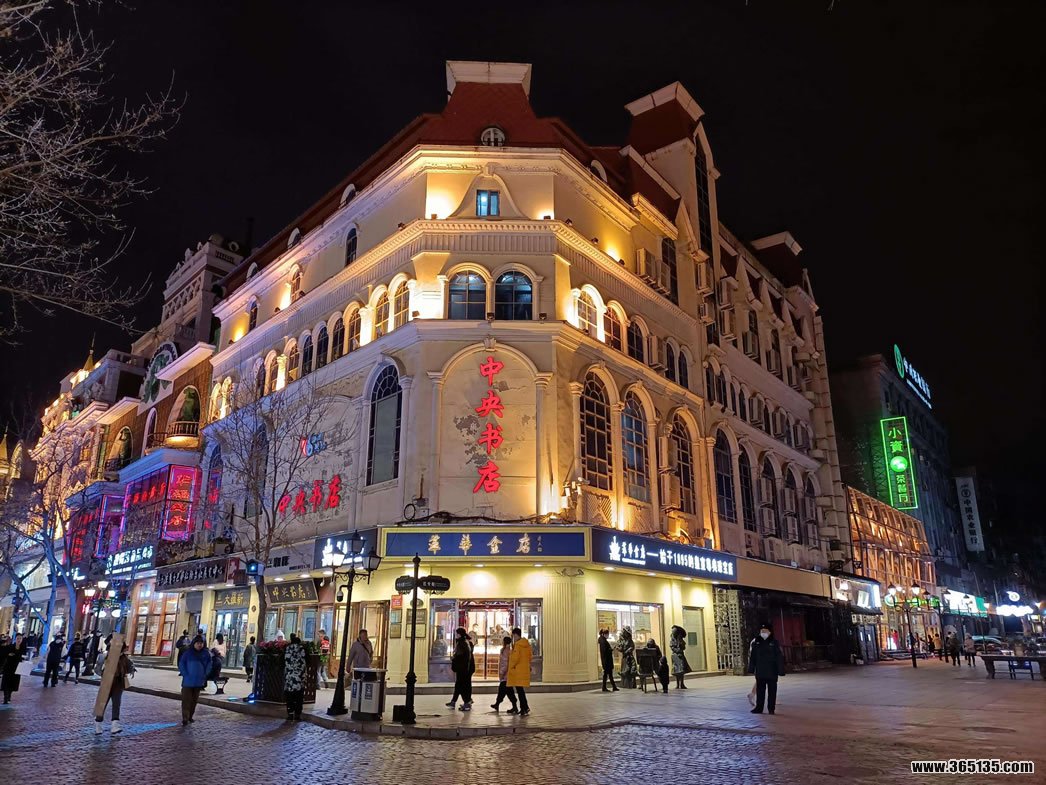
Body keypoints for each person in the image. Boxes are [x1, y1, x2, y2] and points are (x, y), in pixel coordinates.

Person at [748, 622, 785, 715]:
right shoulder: (756, 642)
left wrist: (781, 670)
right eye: (762, 631)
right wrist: (751, 668)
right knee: (760, 691)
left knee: (772, 691)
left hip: (772, 671)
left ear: (770, 632)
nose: (763, 632)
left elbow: (779, 657)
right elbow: (753, 657)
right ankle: (759, 708)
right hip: (760, 671)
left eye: (765, 631)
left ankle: (771, 709)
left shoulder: (774, 642)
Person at [95, 643, 133, 734]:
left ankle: (114, 725)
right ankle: (98, 725)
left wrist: (131, 669)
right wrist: (104, 675)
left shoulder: (124, 658)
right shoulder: (105, 656)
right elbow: (97, 669)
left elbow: (130, 668)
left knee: (116, 703)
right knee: (102, 704)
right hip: (107, 682)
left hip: (118, 683)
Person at [178, 635, 212, 725]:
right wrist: (185, 674)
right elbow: (181, 664)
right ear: (194, 643)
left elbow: (209, 664)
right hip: (188, 681)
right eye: (198, 643)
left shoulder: (206, 654)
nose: (199, 645)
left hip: (198, 682)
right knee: (186, 700)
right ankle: (185, 717)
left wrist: (205, 674)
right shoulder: (188, 653)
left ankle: (190, 716)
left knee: (194, 701)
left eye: (201, 643)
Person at [447, 627, 474, 711]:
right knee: (460, 685)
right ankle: (456, 701)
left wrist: (454, 659)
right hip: (465, 668)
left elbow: (460, 656)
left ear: (459, 634)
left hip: (462, 669)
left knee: (461, 686)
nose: (456, 635)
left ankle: (466, 703)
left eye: (457, 634)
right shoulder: (465, 642)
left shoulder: (462, 643)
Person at [507, 627, 532, 716]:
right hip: (524, 670)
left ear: (516, 635)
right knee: (521, 691)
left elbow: (515, 658)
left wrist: (511, 666)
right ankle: (525, 707)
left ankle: (523, 708)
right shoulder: (527, 644)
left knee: (520, 691)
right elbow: (530, 656)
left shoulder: (517, 645)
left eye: (513, 636)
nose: (513, 638)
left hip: (517, 671)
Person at [284, 633, 307, 721]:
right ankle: (297, 714)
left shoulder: (287, 649)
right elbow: (307, 660)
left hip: (289, 677)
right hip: (299, 678)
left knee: (289, 696)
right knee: (299, 697)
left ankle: (290, 713)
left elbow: (283, 661)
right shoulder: (302, 649)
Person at [491, 636, 517, 712]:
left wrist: (502, 673)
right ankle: (513, 706)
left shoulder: (505, 651)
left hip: (505, 675)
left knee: (503, 690)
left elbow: (505, 663)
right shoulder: (510, 650)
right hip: (508, 675)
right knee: (509, 691)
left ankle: (498, 704)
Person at [1, 633, 27, 704]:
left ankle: (9, 695)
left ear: (22, 640)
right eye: (18, 638)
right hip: (8, 667)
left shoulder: (23, 648)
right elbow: (4, 653)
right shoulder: (10, 646)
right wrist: (8, 654)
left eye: (20, 638)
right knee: (6, 682)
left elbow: (24, 657)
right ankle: (6, 697)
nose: (19, 640)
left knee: (13, 683)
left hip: (17, 668)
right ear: (15, 639)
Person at [670, 625, 690, 689]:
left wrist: (680, 647)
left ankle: (682, 684)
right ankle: (677, 684)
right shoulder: (672, 640)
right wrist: (677, 650)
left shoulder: (680, 640)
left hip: (680, 656)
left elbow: (683, 647)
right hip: (675, 656)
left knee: (681, 671)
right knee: (676, 671)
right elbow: (672, 647)